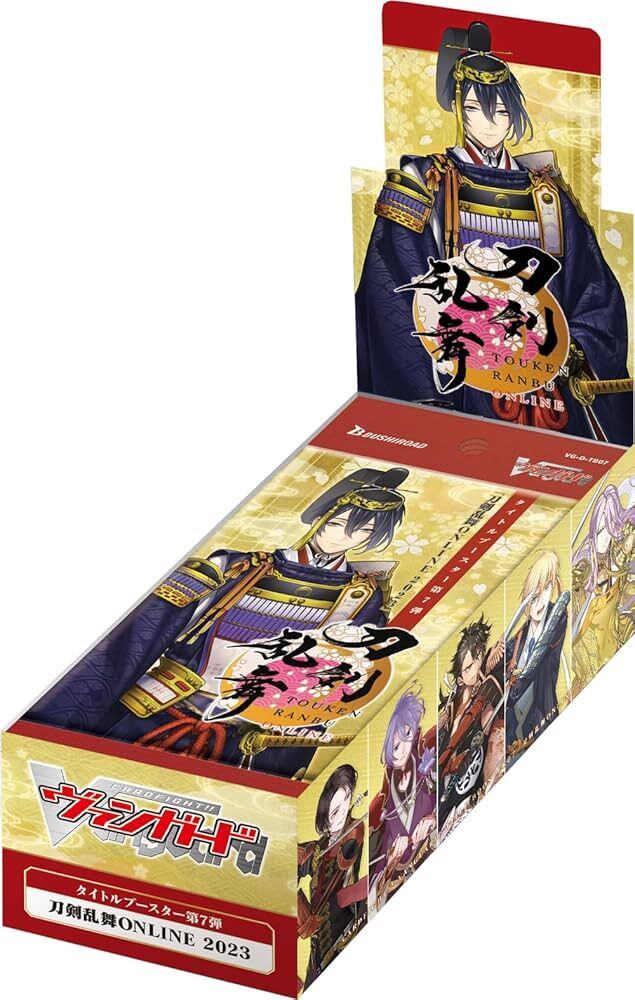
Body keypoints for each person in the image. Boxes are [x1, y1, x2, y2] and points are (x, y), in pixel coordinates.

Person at [28, 468, 410, 777]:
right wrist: (54, 721)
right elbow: (135, 641)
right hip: (161, 709)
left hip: (249, 738)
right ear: (321, 518)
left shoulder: (362, 596)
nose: (344, 537)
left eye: (362, 531)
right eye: (338, 523)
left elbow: (340, 679)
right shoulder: (231, 566)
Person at [356, 20, 632, 445]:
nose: (490, 123)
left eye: (501, 111)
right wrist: (440, 366)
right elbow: (391, 283)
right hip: (463, 370)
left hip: (547, 375)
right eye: (476, 109)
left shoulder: (548, 194)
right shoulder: (424, 182)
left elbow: (593, 289)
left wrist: (571, 349)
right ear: (457, 107)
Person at [298, 764, 367, 989]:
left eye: (347, 800)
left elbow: (344, 865)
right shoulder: (317, 849)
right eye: (335, 810)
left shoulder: (354, 830)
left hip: (345, 918)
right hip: (319, 931)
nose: (343, 812)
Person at [369, 690, 436, 910]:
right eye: (395, 746)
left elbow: (445, 789)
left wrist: (433, 817)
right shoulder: (388, 790)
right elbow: (384, 843)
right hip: (399, 875)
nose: (402, 749)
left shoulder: (426, 762)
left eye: (407, 734)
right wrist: (390, 857)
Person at [505, 551, 569, 763]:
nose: (541, 602)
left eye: (547, 588)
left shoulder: (557, 618)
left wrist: (514, 690)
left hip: (542, 720)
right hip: (513, 730)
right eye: (534, 596)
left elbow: (539, 655)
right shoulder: (518, 639)